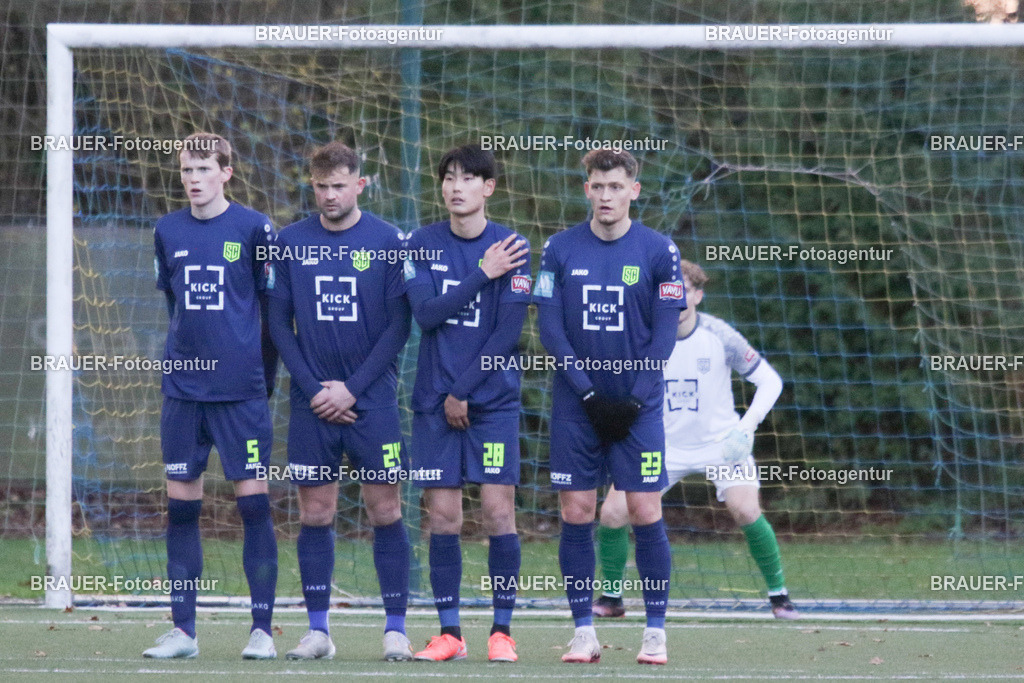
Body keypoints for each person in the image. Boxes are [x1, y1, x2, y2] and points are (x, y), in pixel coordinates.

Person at [534, 148, 685, 665]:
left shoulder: (659, 250)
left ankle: (656, 631)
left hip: (638, 405)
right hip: (578, 404)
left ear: (633, 192)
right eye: (597, 186)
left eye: (615, 187)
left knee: (644, 509)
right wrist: (591, 393)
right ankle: (582, 631)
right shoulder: (558, 249)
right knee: (576, 511)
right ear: (586, 190)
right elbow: (550, 330)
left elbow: (665, 334)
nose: (605, 196)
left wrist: (634, 397)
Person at [266, 141, 413, 661]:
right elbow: (278, 325)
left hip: (371, 402)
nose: (329, 195)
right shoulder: (289, 242)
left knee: (386, 508)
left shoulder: (390, 242)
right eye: (321, 186)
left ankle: (395, 626)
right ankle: (318, 630)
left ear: (360, 184)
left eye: (338, 186)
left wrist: (352, 388)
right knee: (315, 512)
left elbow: (400, 325)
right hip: (312, 403)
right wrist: (315, 391)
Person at [592, 259, 796, 621]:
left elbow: (771, 382)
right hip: (662, 446)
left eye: (684, 290)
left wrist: (745, 429)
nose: (676, 297)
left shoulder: (721, 336)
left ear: (698, 296)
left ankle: (780, 597)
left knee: (746, 510)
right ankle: (611, 597)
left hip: (722, 444)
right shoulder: (644, 336)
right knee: (611, 513)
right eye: (668, 290)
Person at [146, 132, 279, 660]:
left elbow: (272, 314)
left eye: (203, 169)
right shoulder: (166, 229)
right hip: (183, 393)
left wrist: (260, 380)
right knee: (181, 509)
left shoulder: (255, 228)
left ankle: (262, 631)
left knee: (253, 508)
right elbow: (173, 308)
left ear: (227, 172)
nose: (193, 179)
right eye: (185, 170)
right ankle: (183, 630)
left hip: (240, 393)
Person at [404, 145, 531, 663]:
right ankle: (450, 633)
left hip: (491, 403)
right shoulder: (419, 244)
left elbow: (505, 335)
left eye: (468, 178)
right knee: (444, 517)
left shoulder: (515, 246)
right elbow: (428, 314)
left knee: (500, 514)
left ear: (489, 188)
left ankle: (502, 632)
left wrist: (465, 391)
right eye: (449, 178)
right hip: (436, 404)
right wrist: (482, 273)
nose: (457, 187)